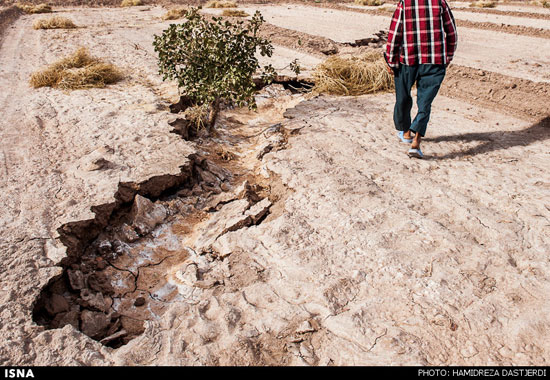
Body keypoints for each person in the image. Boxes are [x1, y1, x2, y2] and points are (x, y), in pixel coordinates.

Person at [384, 0, 458, 158]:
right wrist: (447, 57)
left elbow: (394, 33)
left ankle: (405, 132)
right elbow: (452, 33)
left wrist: (390, 60)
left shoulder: (405, 3)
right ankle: (416, 142)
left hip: (408, 60)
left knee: (402, 96)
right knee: (425, 103)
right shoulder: (440, 3)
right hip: (435, 60)